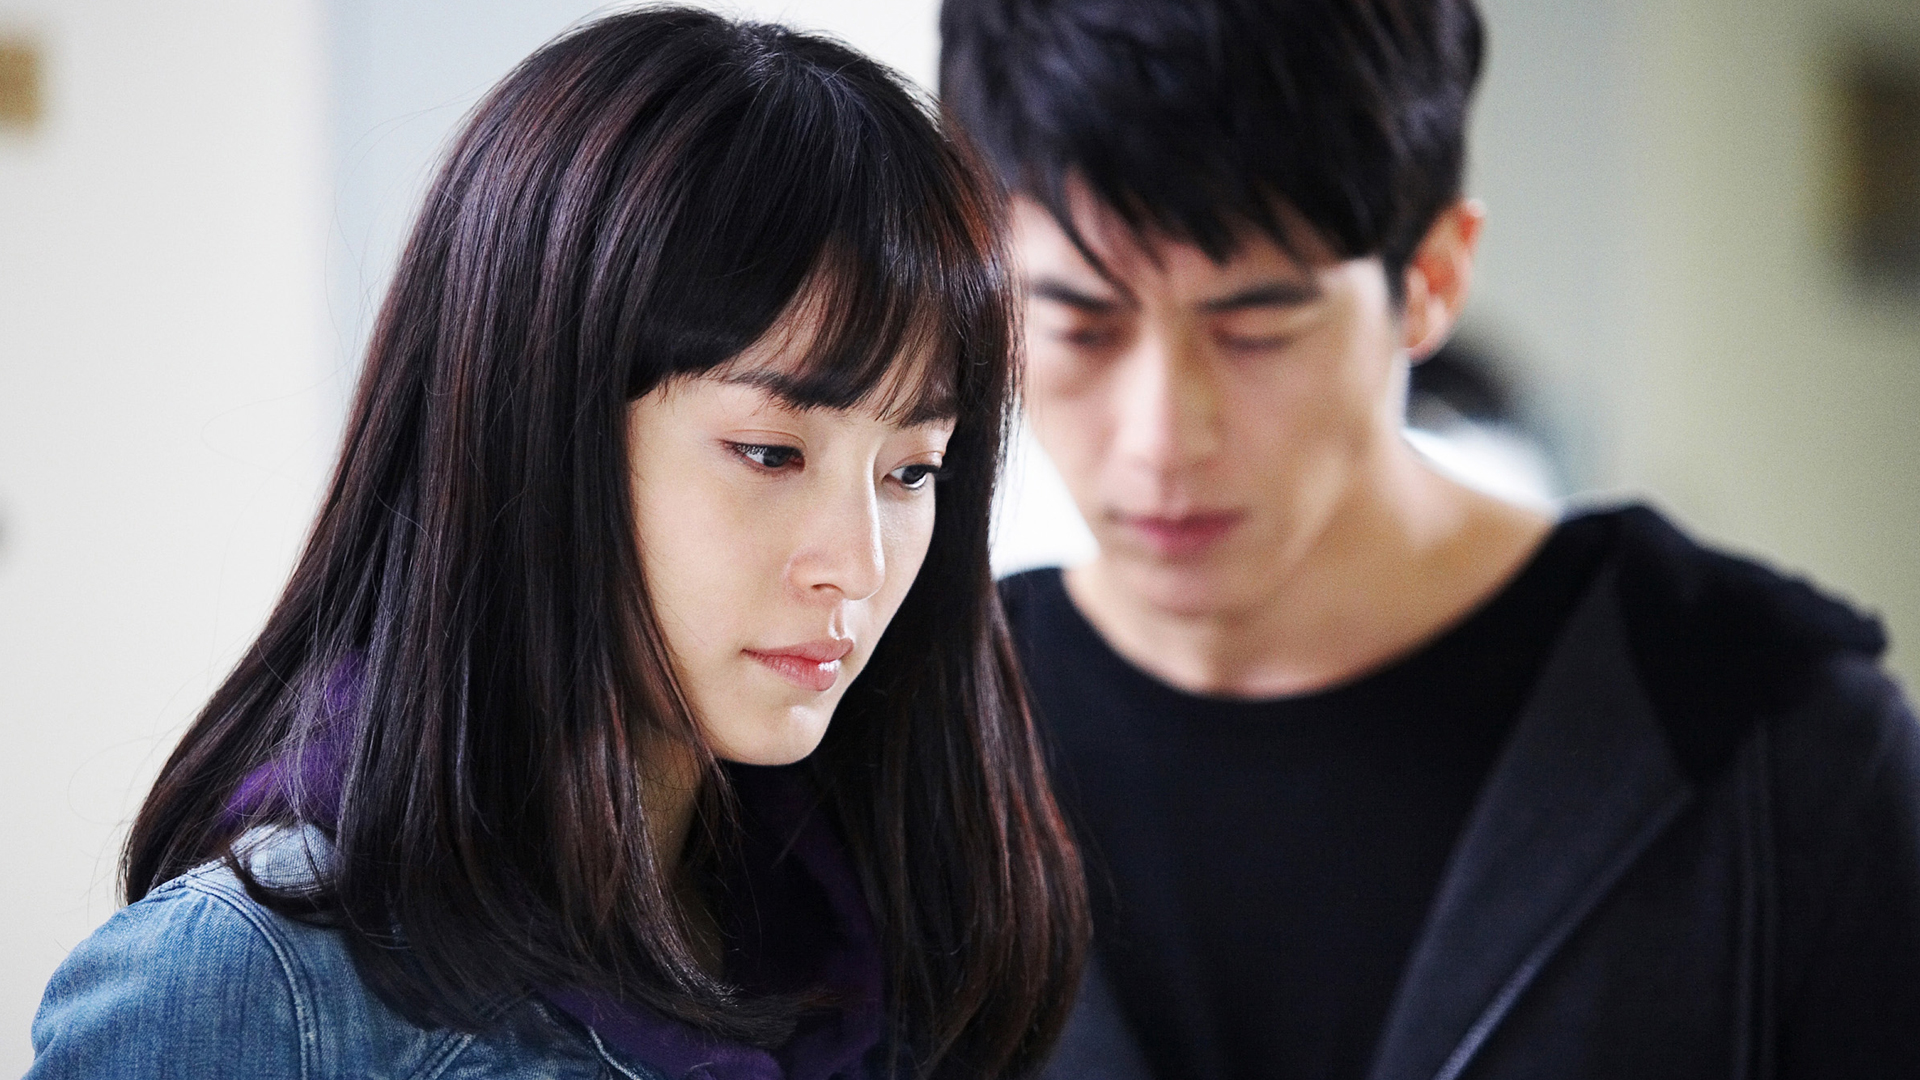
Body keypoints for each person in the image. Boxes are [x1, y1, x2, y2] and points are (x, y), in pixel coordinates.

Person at [28, 9, 1088, 1079]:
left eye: (911, 471)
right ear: (535, 430)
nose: (857, 566)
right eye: (771, 453)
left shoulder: (895, 942)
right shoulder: (248, 990)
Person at [939, 1, 1920, 1078]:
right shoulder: (909, 735)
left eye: (1256, 332)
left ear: (1434, 279)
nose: (1163, 438)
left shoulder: (1769, 745)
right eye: (1081, 327)